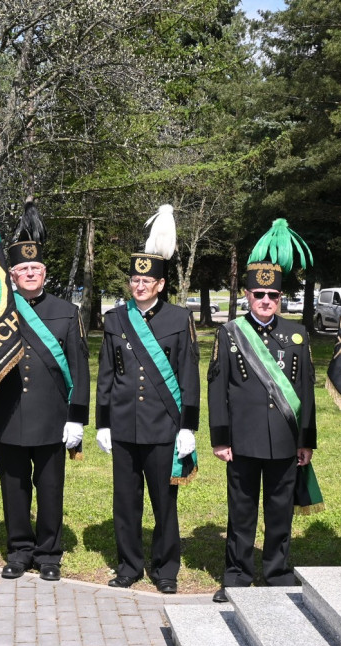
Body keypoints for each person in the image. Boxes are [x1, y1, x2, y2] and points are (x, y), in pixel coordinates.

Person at [208, 219, 316, 603]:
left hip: (285, 443)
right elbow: (217, 390)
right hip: (242, 441)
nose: (266, 301)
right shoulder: (230, 333)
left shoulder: (297, 334)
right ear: (247, 296)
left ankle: (278, 572)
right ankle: (237, 575)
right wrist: (220, 439)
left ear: (280, 297)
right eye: (259, 294)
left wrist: (306, 442)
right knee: (241, 512)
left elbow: (304, 392)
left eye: (272, 294)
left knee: (280, 510)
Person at [96, 205, 199, 594]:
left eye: (147, 280)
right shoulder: (115, 320)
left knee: (163, 502)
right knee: (125, 502)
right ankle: (129, 565)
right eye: (135, 279)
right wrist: (102, 423)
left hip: (162, 427)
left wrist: (188, 427)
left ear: (160, 284)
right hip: (123, 424)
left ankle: (166, 569)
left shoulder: (178, 319)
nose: (139, 286)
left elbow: (189, 377)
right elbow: (106, 374)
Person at [0, 201, 90, 582]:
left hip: (52, 420)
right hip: (8, 416)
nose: (29, 273)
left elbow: (80, 369)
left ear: (44, 273)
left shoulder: (67, 312)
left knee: (50, 490)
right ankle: (19, 550)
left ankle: (49, 553)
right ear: (12, 275)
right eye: (22, 269)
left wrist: (77, 418)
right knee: (14, 490)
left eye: (35, 268)